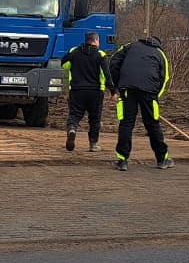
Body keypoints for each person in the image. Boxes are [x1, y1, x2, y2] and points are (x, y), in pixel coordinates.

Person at [107, 36, 172, 171]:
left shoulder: (129, 46)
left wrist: (117, 85)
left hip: (127, 89)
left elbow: (113, 63)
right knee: (152, 124)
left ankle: (122, 160)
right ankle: (162, 159)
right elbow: (164, 78)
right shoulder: (159, 53)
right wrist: (154, 97)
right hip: (149, 91)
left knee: (126, 123)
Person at [60, 32, 111, 152]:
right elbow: (106, 74)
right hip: (95, 92)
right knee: (94, 118)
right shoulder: (101, 54)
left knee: (74, 114)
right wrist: (113, 90)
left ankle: (72, 128)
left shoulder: (74, 51)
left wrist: (73, 67)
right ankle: (93, 144)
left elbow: (64, 64)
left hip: (77, 90)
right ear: (96, 40)